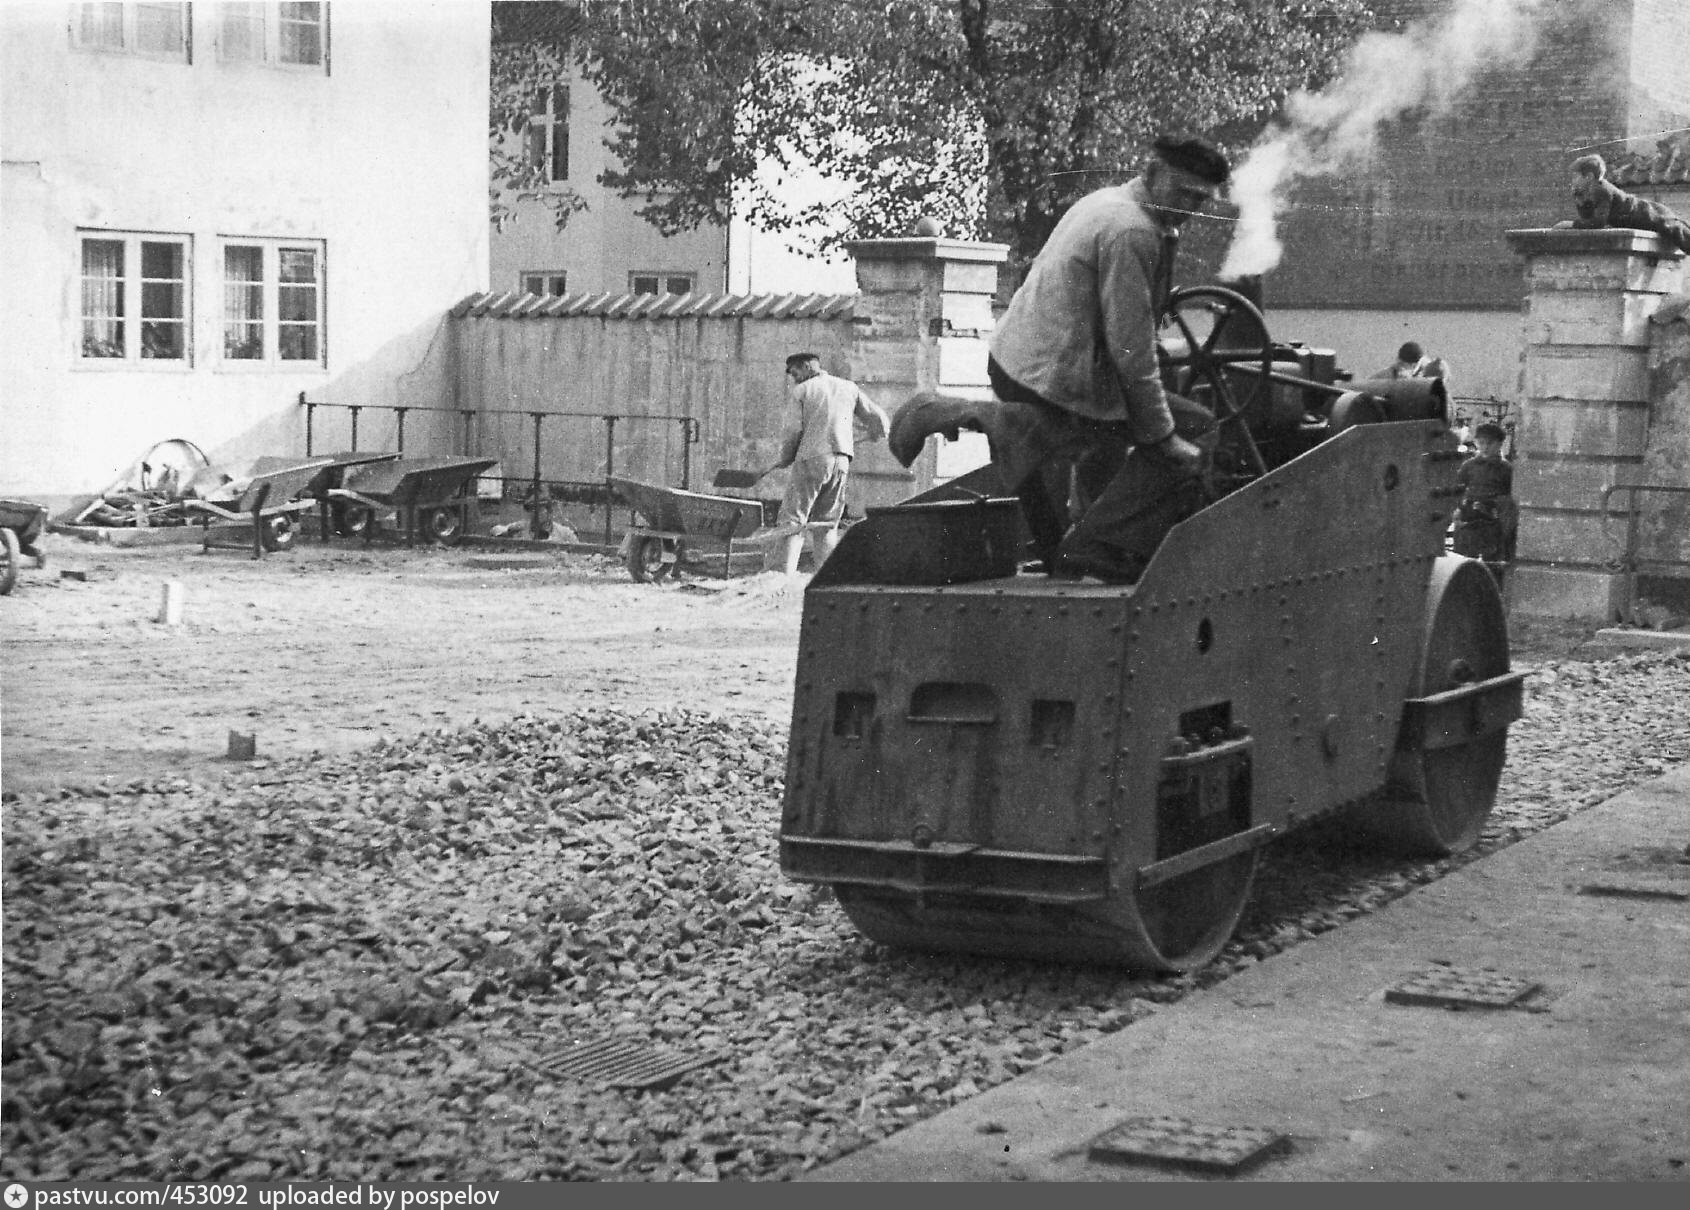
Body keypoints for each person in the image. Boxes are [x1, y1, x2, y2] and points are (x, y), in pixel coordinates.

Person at [888, 135, 1230, 582]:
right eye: (1183, 193)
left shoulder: (1109, 202)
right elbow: (1131, 352)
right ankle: (1095, 547)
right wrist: (1164, 436)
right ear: (1153, 173)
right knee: (1195, 427)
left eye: (1199, 200)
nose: (1189, 207)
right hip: (1056, 376)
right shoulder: (1133, 230)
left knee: (1104, 438)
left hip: (1018, 360)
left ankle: (1066, 555)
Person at [762, 352, 890, 574]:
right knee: (827, 523)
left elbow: (793, 432)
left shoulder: (802, 390)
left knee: (793, 520)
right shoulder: (849, 387)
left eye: (794, 372)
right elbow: (879, 419)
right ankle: (827, 574)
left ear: (806, 366)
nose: (793, 378)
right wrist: (878, 431)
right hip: (842, 460)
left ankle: (781, 577)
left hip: (811, 458)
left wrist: (786, 457)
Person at [1555, 153, 1690, 254]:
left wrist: (1570, 224)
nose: (1572, 181)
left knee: (1676, 229)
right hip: (1640, 214)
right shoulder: (1591, 191)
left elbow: (1597, 223)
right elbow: (1589, 219)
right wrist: (1579, 199)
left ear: (1589, 177)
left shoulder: (1601, 189)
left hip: (1645, 213)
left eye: (1575, 177)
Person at [1451, 421, 1516, 564]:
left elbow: (1511, 498)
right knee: (1463, 559)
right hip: (1469, 516)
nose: (1485, 447)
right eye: (1481, 443)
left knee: (1492, 560)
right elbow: (1457, 490)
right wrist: (1457, 509)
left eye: (1490, 443)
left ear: (1500, 444)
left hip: (1492, 519)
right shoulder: (1469, 466)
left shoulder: (1507, 469)